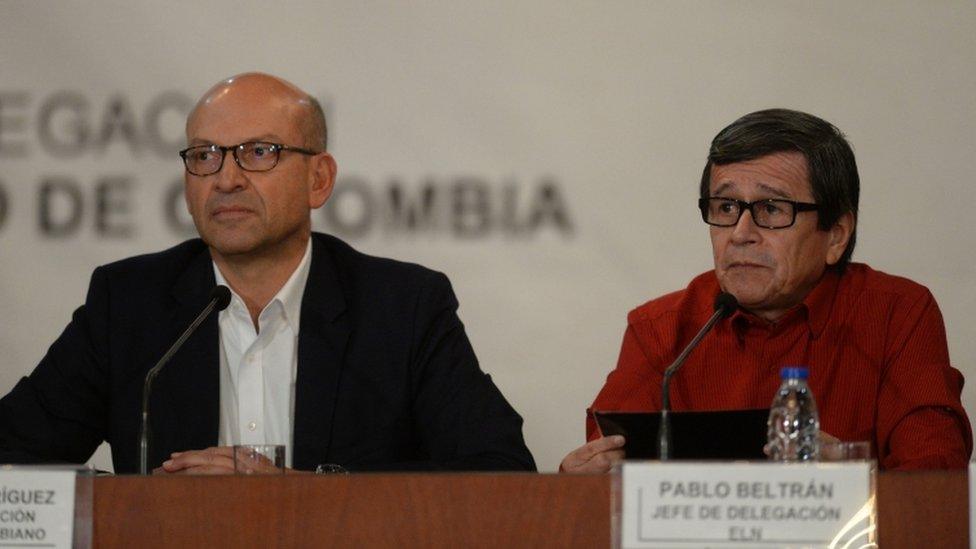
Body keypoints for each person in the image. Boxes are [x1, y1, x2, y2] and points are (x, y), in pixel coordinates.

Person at [0, 72, 535, 474]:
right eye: (205, 156)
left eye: (259, 152)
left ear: (318, 180)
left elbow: (499, 471)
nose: (226, 178)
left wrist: (297, 496)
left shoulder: (403, 307)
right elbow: (13, 457)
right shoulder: (129, 304)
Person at [561, 108, 971, 473]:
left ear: (836, 236)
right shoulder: (660, 331)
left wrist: (851, 474)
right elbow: (609, 471)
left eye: (771, 209)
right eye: (725, 209)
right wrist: (582, 483)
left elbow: (936, 482)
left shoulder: (897, 315)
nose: (740, 234)